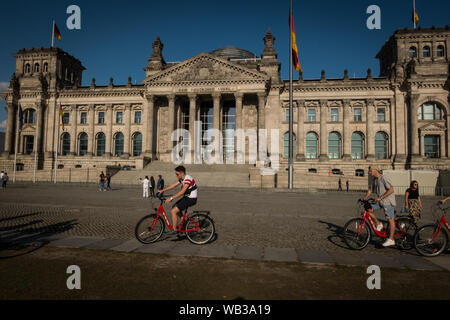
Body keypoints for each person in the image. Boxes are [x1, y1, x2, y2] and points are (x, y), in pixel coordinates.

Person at [362, 167, 397, 247]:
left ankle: (391, 239)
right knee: (368, 209)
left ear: (375, 170)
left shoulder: (384, 178)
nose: (369, 173)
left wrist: (381, 197)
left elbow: (391, 190)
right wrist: (365, 198)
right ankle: (379, 224)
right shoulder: (374, 180)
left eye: (370, 171)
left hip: (388, 201)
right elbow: (371, 190)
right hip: (380, 202)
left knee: (390, 220)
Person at [158, 166, 197, 236]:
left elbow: (182, 192)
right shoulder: (182, 178)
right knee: (174, 206)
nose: (176, 176)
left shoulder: (187, 179)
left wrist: (171, 198)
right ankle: (184, 223)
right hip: (187, 197)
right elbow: (173, 185)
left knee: (173, 211)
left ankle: (174, 230)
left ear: (182, 173)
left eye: (177, 174)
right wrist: (162, 190)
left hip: (191, 199)